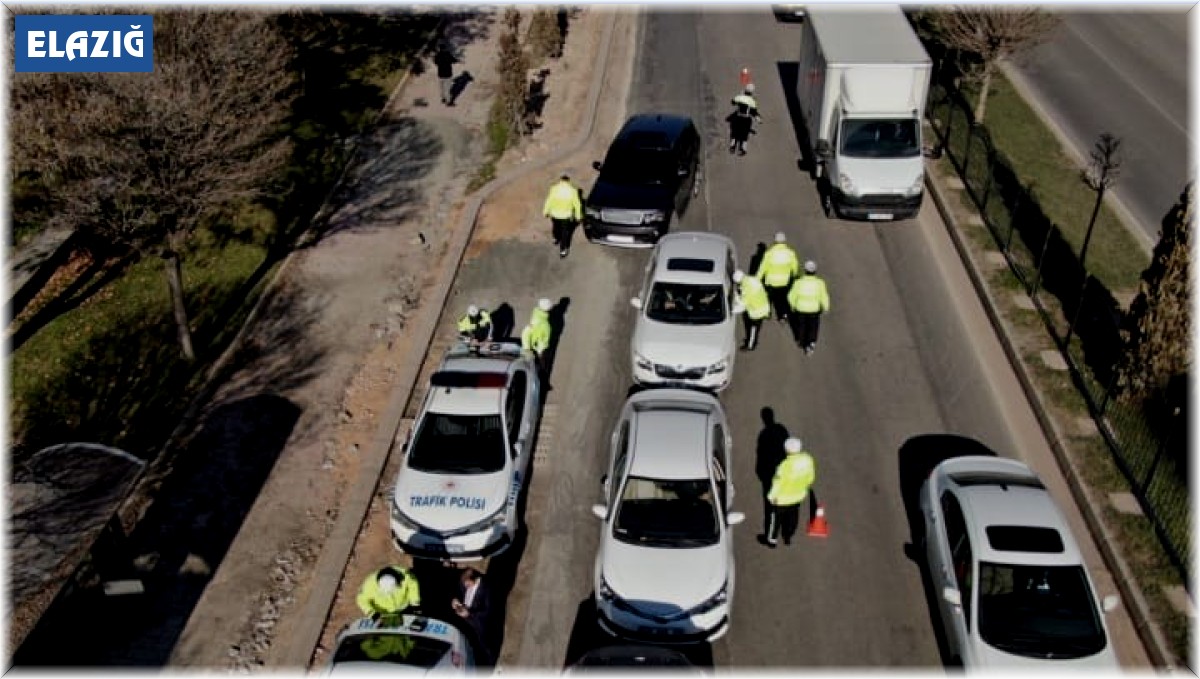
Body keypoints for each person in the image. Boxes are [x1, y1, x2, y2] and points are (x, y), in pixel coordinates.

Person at [758, 437, 816, 548]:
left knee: (775, 520)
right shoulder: (807, 460)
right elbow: (811, 478)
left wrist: (771, 496)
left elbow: (777, 483)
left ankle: (771, 540)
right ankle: (788, 536)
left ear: (787, 450)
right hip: (798, 496)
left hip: (781, 499)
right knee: (793, 516)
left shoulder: (784, 465)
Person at [754, 232, 800, 323]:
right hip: (784, 281)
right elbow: (794, 268)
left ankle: (767, 313)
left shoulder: (769, 253)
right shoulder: (790, 253)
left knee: (769, 298)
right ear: (785, 241)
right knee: (782, 299)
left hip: (771, 281)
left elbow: (763, 268)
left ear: (775, 241)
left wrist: (757, 279)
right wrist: (795, 277)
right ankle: (782, 316)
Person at [787, 260, 830, 354]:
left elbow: (791, 296)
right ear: (815, 271)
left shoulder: (798, 282)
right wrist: (826, 307)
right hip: (814, 310)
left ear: (805, 270)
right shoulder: (820, 283)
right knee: (813, 327)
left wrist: (793, 305)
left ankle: (801, 341)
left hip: (801, 309)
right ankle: (811, 343)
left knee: (801, 326)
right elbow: (824, 296)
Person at [451, 567, 492, 655]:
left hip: (479, 625)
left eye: (467, 584)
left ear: (476, 579)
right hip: (465, 622)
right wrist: (456, 599)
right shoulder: (464, 581)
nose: (466, 587)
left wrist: (470, 614)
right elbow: (459, 591)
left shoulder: (487, 589)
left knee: (484, 647)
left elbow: (488, 612)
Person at [356, 565, 422, 621]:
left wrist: (415, 603)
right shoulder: (369, 585)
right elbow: (361, 600)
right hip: (383, 615)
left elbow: (413, 585)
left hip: (404, 608)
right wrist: (372, 613)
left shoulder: (406, 575)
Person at [542, 173, 583, 258]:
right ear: (568, 181)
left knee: (555, 227)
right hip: (566, 216)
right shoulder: (573, 191)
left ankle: (556, 239)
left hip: (555, 214)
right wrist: (578, 217)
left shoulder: (554, 188)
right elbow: (577, 205)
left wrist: (545, 211)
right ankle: (563, 250)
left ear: (560, 180)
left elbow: (549, 200)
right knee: (565, 233)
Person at [733, 270, 770, 351]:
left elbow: (742, 304)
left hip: (757, 311)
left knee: (753, 329)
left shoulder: (746, 288)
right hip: (763, 306)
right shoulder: (752, 279)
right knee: (754, 328)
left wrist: (732, 309)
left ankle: (750, 345)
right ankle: (750, 339)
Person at [729, 84, 763, 155]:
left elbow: (732, 102)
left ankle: (732, 147)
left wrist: (740, 96)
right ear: (752, 92)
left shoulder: (740, 97)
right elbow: (754, 112)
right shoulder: (752, 101)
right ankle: (742, 149)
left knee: (735, 132)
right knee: (744, 134)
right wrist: (758, 119)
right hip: (746, 119)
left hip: (738, 117)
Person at [520, 298, 554, 362]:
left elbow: (526, 332)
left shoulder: (535, 313)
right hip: (533, 348)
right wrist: (540, 353)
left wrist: (526, 347)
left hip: (527, 344)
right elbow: (543, 341)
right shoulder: (545, 325)